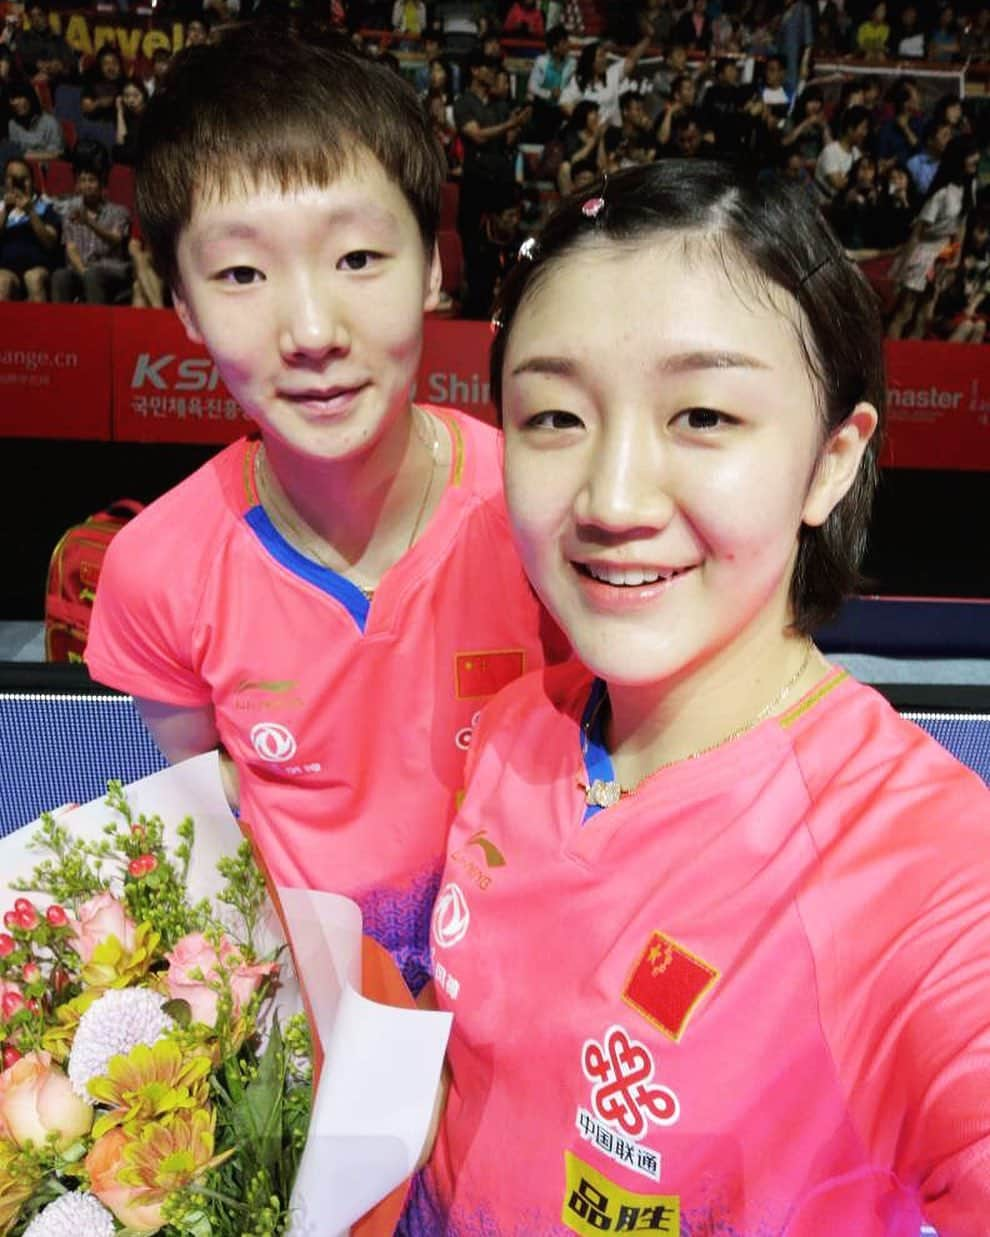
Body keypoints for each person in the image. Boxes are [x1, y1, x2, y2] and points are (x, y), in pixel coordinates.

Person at [413, 159, 990, 1236]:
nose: (615, 497)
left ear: (831, 461)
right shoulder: (510, 732)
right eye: (552, 418)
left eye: (706, 415)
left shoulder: (921, 870)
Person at [84, 26, 563, 997]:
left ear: (434, 265)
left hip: (518, 993)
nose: (310, 331)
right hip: (311, 1019)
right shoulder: (154, 571)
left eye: (356, 257)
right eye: (241, 275)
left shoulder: (547, 509)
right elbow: (213, 798)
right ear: (179, 303)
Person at [888, 136, 980, 339]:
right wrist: (904, 266)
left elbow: (961, 226)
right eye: (971, 155)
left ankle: (914, 360)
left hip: (943, 253)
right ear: (959, 158)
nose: (976, 159)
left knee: (925, 314)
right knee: (906, 312)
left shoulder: (968, 189)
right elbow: (918, 233)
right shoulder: (941, 194)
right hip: (922, 252)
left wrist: (955, 258)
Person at [51, 151, 130, 304]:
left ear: (102, 185)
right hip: (82, 269)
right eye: (83, 181)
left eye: (92, 180)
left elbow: (115, 239)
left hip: (111, 268)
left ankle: (97, 325)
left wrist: (89, 223)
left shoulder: (119, 212)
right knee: (60, 275)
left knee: (93, 275)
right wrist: (83, 271)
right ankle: (60, 324)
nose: (87, 186)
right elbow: (71, 248)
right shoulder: (71, 213)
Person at [0, 153, 61, 300]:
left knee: (33, 279)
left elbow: (50, 242)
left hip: (38, 268)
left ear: (32, 182)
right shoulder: (1, 209)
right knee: (2, 283)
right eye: (13, 179)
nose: (18, 184)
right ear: (5, 182)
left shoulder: (46, 207)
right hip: (6, 269)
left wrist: (31, 212)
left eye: (23, 179)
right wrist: (6, 212)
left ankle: (42, 323)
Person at [559, 36, 649, 128]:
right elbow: (564, 103)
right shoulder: (578, 81)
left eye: (604, 55)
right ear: (590, 60)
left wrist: (648, 37)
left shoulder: (611, 74)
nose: (604, 59)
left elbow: (632, 59)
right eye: (601, 56)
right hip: (593, 133)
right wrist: (586, 122)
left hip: (613, 132)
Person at [526, 24, 574, 143]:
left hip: (561, 107)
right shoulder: (542, 61)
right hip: (543, 107)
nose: (568, 45)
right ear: (554, 47)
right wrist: (549, 94)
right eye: (564, 42)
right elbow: (532, 86)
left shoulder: (572, 63)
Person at [814, 103, 869, 201]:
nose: (865, 133)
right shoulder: (830, 151)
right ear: (850, 129)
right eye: (863, 128)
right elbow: (838, 184)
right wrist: (861, 179)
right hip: (822, 205)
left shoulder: (857, 153)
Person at [6, 81, 62, 160]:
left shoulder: (50, 123)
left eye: (20, 97)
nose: (15, 102)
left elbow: (56, 154)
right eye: (13, 99)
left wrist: (24, 155)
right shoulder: (12, 124)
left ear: (31, 98)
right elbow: (14, 152)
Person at [112, 75, 147, 167]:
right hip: (128, 159)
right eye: (126, 96)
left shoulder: (150, 114)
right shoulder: (125, 116)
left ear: (143, 95)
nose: (131, 100)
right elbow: (120, 142)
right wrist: (119, 111)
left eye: (136, 96)